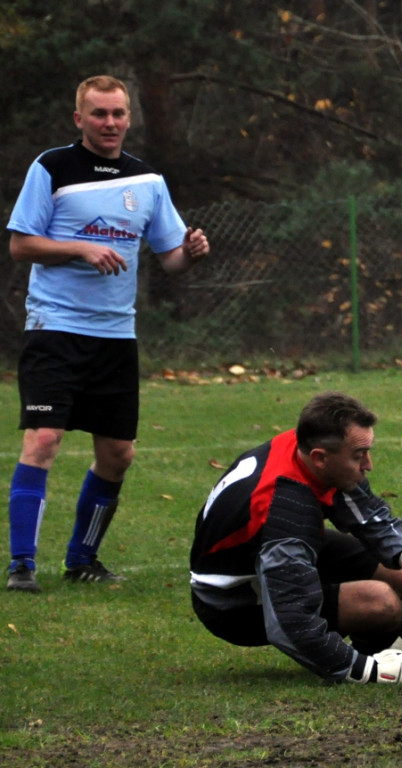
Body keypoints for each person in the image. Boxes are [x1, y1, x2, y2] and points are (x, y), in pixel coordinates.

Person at [5, 75, 211, 593]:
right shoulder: (52, 167)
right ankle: (21, 565)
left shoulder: (148, 182)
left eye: (118, 113)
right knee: (44, 438)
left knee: (118, 454)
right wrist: (80, 249)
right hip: (54, 327)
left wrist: (192, 251)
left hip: (116, 338)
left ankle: (82, 560)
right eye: (99, 114)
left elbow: (170, 259)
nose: (110, 123)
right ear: (80, 119)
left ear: (128, 117)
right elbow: (21, 246)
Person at [190, 391, 402, 683]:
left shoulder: (305, 445)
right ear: (320, 458)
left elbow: (361, 507)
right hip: (231, 603)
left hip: (262, 551)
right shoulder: (285, 512)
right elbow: (290, 623)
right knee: (381, 602)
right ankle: (376, 652)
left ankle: (391, 639)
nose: (369, 464)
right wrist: (363, 669)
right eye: (359, 456)